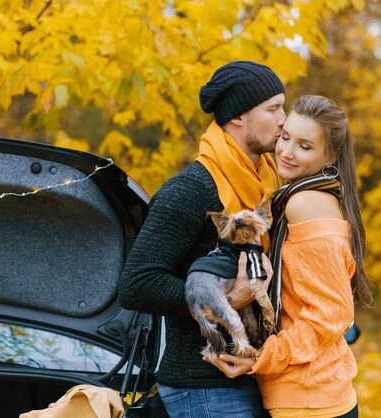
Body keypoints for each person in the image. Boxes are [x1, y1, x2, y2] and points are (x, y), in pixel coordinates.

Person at [119, 61, 286, 418]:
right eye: (273, 109)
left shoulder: (269, 186)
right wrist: (226, 299)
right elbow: (137, 284)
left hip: (253, 377)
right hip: (204, 387)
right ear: (238, 117)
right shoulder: (192, 189)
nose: (284, 119)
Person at [207, 95, 374, 418]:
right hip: (310, 396)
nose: (286, 151)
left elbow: (330, 314)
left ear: (331, 155)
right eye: (286, 137)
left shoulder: (304, 204)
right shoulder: (309, 195)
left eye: (305, 146)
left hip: (310, 401)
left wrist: (261, 358)